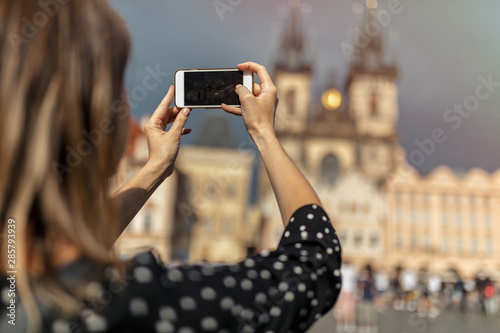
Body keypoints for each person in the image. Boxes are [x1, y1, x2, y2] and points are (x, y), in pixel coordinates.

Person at [0, 1, 342, 332]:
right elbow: (314, 265)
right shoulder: (134, 301)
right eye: (121, 84)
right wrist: (264, 132)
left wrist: (156, 167)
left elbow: (67, 255)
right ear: (93, 120)